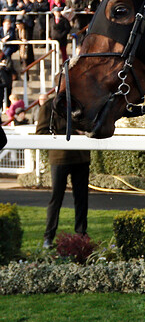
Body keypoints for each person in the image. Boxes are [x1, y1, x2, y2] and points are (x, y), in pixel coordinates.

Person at [35, 97, 90, 249]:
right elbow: (41, 133)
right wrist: (71, 132)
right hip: (60, 157)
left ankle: (81, 235)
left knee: (82, 199)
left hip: (82, 156)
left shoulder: (82, 102)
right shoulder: (49, 106)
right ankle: (49, 236)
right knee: (56, 198)